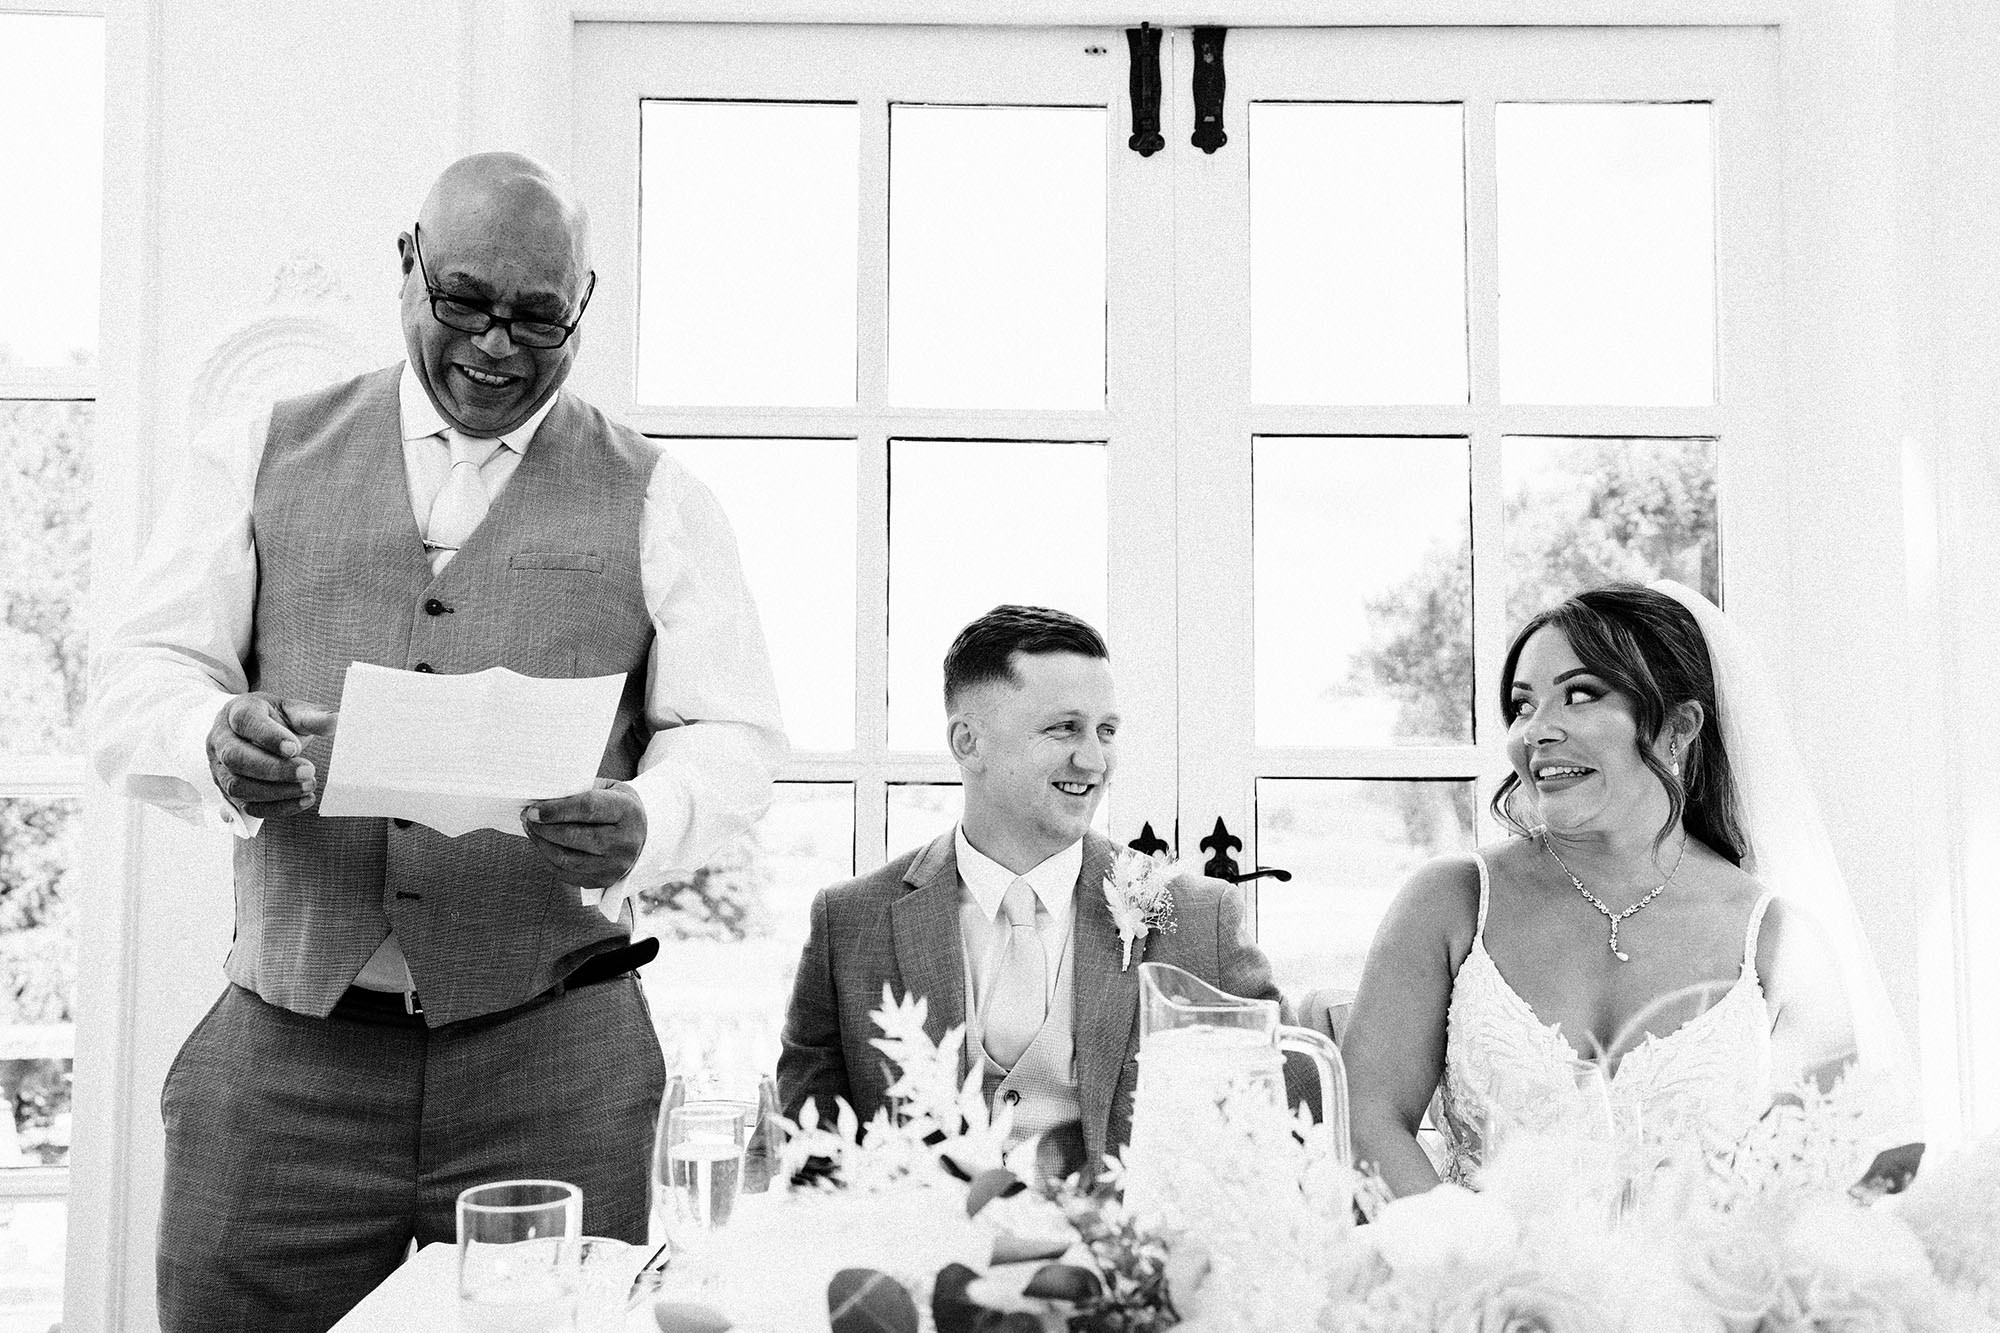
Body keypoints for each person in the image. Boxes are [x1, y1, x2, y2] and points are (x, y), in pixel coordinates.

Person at [88, 153, 784, 1330]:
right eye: (463, 301)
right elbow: (133, 681)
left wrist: (650, 816)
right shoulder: (254, 451)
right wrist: (209, 733)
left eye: (538, 317)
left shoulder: (662, 495)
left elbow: (735, 732)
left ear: (584, 304)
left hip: (557, 1062)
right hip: (285, 1061)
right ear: (406, 265)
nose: (496, 346)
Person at [1343, 581, 1902, 1196]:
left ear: (1678, 726)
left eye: (1579, 695)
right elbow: (1369, 1122)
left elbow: (1809, 1186)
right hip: (1467, 1258)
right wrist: (1466, 1250)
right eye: (1523, 706)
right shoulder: (1450, 902)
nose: (1536, 731)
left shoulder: (1781, 945)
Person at [777, 605, 1283, 1168]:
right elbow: (799, 1154)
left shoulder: (1199, 917)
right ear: (969, 743)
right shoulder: (849, 923)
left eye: (1107, 731)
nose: (1094, 760)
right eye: (1064, 728)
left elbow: (1286, 1132)